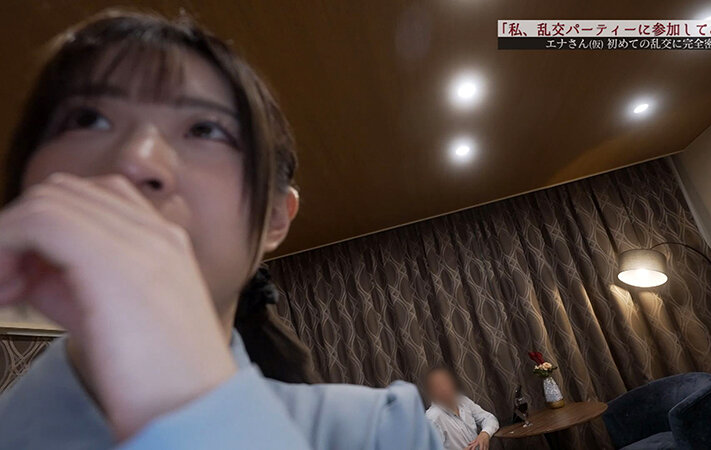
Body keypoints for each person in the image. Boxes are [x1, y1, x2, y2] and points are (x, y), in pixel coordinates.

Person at [0, 10, 441, 450]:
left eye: (205, 129)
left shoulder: (379, 431)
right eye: (87, 120)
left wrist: (197, 410)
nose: (137, 159)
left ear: (275, 218)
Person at [424, 367, 499, 450]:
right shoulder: (432, 418)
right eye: (438, 386)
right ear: (431, 392)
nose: (444, 388)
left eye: (445, 383)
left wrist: (485, 433)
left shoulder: (462, 400)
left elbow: (489, 418)